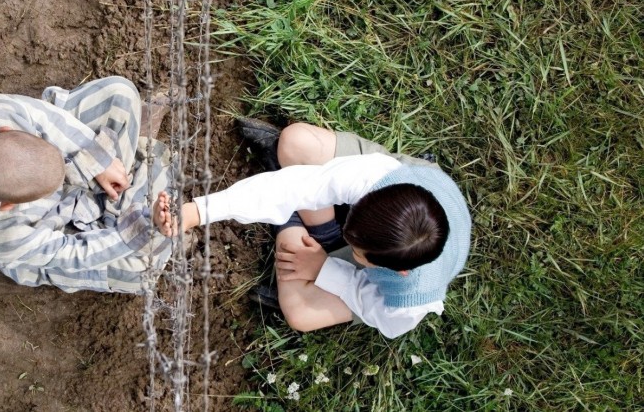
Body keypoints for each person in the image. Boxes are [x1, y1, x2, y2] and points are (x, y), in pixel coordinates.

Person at [177, 120, 471, 338]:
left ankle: (291, 221)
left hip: (385, 274)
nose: (353, 250)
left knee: (300, 313)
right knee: (296, 142)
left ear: (399, 271)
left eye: (357, 252)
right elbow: (301, 186)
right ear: (372, 196)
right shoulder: (377, 177)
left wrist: (324, 269)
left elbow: (369, 303)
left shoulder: (409, 301)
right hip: (397, 192)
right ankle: (322, 232)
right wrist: (197, 212)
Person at [0, 76, 177, 294]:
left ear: (5, 131)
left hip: (76, 164)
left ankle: (121, 198)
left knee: (120, 93)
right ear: (8, 205)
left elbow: (50, 121)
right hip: (56, 231)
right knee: (141, 271)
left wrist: (97, 161)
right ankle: (128, 207)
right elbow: (70, 253)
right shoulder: (2, 236)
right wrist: (130, 234)